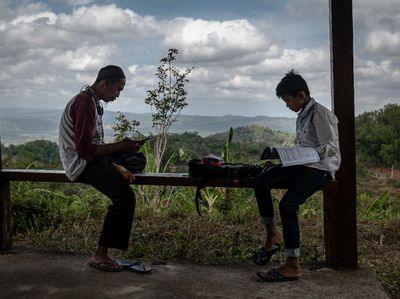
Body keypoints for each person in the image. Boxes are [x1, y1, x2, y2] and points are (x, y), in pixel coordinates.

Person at [252, 69, 341, 282]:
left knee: (287, 205)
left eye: (288, 100)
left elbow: (330, 147)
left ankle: (293, 264)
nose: (287, 105)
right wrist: (285, 156)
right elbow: (305, 143)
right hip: (303, 163)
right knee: (260, 180)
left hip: (320, 168)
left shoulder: (319, 113)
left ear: (301, 95)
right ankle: (272, 233)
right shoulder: (303, 114)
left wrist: (305, 154)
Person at [59, 65, 146, 272]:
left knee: (135, 158)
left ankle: (119, 165)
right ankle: (100, 254)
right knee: (125, 197)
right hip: (80, 165)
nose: (118, 95)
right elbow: (85, 150)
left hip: (90, 159)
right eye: (118, 89)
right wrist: (119, 148)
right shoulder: (84, 103)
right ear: (105, 83)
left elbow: (95, 147)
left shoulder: (92, 102)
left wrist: (118, 159)